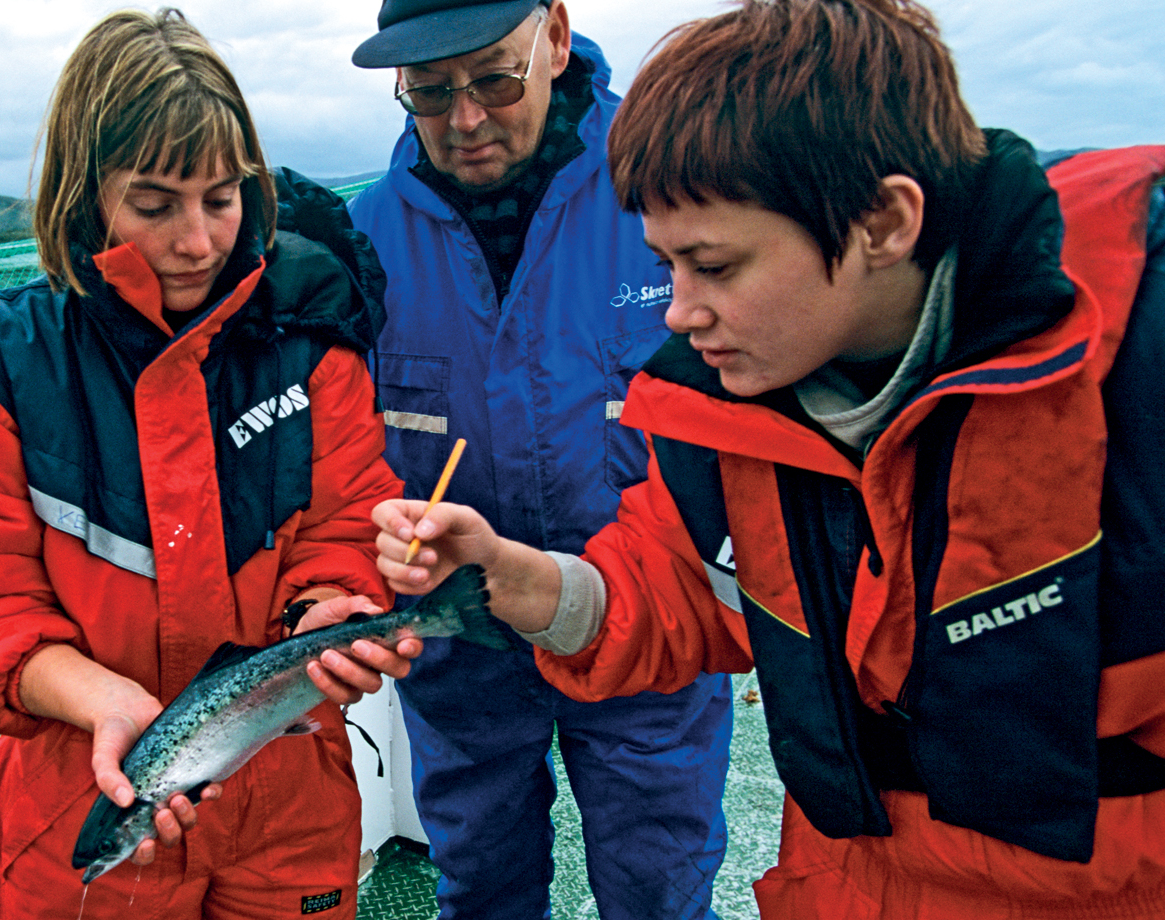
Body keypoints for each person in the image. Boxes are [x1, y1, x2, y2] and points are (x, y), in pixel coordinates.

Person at [373, 0, 1165, 916]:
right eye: (666, 269)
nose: (676, 313)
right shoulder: (738, 392)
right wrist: (520, 578)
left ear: (882, 221)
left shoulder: (1135, 375)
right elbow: (674, 584)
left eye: (713, 266)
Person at [0, 8, 419, 918]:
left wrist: (335, 609)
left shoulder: (315, 349)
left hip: (292, 805)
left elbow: (345, 521)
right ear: (86, 198)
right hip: (81, 794)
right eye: (155, 204)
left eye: (222, 197)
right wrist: (100, 702)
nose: (197, 240)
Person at [346, 2, 734, 918]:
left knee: (660, 890)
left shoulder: (675, 191)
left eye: (492, 78)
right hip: (459, 643)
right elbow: (344, 462)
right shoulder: (360, 245)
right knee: (480, 886)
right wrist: (379, 528)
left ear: (554, 37)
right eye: (429, 92)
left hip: (651, 635)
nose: (464, 119)